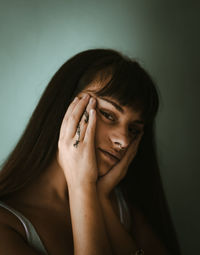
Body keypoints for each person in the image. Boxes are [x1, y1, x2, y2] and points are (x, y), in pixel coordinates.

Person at [0, 49, 181, 255]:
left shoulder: (121, 207)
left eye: (133, 129)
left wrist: (100, 198)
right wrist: (81, 185)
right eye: (107, 114)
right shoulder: (7, 225)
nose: (123, 140)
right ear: (64, 107)